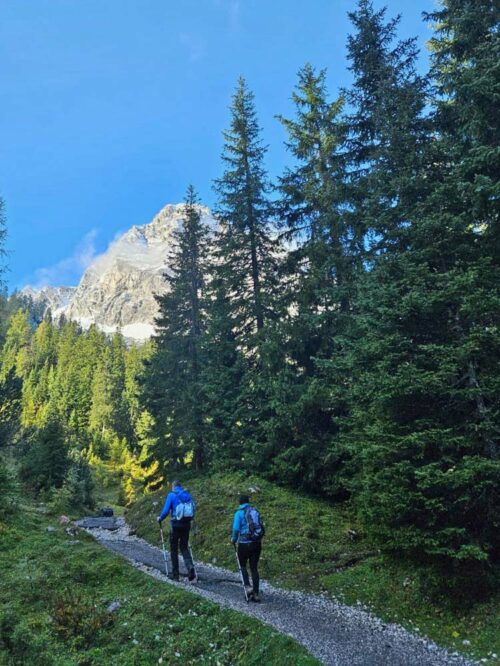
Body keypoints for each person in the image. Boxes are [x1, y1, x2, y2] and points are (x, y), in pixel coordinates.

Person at [157, 480, 196, 582]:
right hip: (186, 524)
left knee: (174, 549)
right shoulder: (187, 495)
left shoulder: (171, 495)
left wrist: (160, 518)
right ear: (181, 486)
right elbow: (193, 508)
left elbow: (166, 511)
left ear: (173, 487)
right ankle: (190, 567)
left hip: (175, 525)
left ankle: (175, 575)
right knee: (184, 547)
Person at [231, 494, 264, 602]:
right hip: (256, 543)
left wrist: (233, 540)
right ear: (248, 501)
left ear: (240, 503)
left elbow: (236, 529)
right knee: (254, 568)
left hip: (244, 544)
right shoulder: (254, 511)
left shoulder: (239, 513)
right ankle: (256, 593)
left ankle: (248, 587)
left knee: (243, 566)